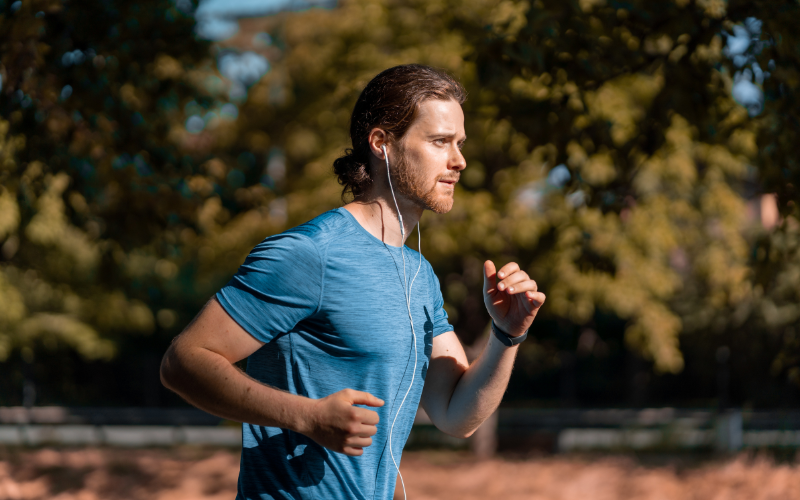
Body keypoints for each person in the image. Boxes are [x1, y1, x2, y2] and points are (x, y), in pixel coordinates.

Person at [160, 64, 546, 500]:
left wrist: (507, 336)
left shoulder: (419, 276)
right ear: (382, 144)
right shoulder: (309, 253)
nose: (459, 160)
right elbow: (183, 361)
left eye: (459, 143)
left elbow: (456, 415)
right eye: (440, 142)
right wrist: (306, 417)